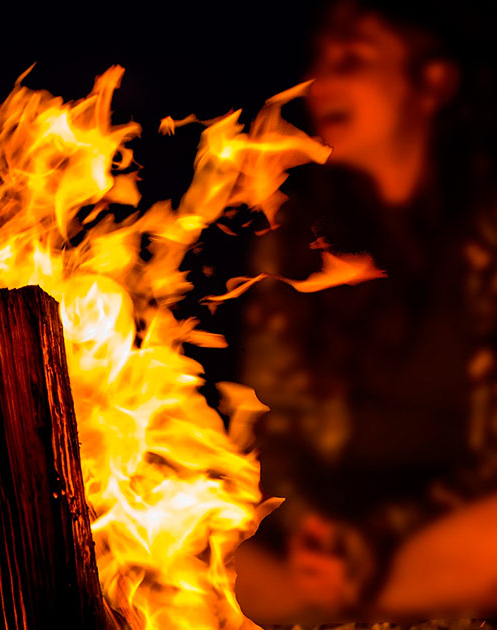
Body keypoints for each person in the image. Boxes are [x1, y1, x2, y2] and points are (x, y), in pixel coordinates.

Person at [233, 0, 497, 622]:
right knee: (189, 543)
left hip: (446, 536)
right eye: (319, 63)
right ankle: (334, 600)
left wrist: (377, 539)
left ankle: (346, 606)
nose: (324, 84)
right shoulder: (294, 237)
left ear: (433, 82)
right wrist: (312, 535)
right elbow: (274, 428)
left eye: (352, 59)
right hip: (324, 547)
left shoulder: (485, 228)